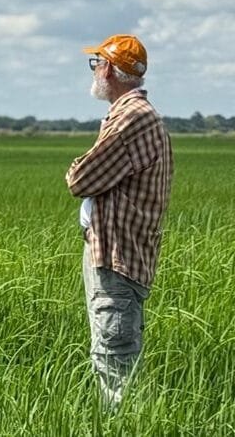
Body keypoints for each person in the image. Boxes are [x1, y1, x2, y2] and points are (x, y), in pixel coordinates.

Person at [66, 34, 173, 408]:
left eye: (95, 63)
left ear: (108, 69)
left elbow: (81, 179)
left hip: (118, 256)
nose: (94, 71)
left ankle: (121, 428)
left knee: (114, 363)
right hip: (117, 252)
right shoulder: (136, 115)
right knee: (112, 352)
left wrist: (76, 166)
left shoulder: (131, 119)